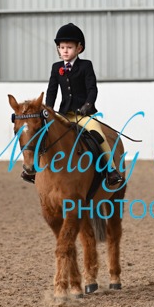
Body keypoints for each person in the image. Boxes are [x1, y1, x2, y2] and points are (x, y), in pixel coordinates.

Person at [43, 22, 124, 186]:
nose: (65, 51)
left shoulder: (86, 65)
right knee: (45, 135)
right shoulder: (56, 68)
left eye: (69, 47)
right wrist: (48, 110)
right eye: (62, 47)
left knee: (98, 135)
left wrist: (87, 105)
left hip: (84, 114)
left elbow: (92, 89)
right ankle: (35, 169)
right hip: (64, 115)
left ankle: (111, 170)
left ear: (79, 48)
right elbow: (51, 91)